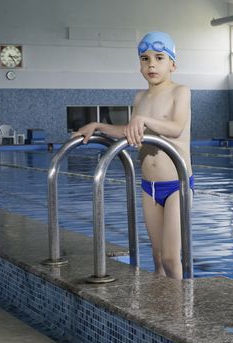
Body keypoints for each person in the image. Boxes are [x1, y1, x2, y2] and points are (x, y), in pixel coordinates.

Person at [72, 31, 193, 279]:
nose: (151, 64)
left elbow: (176, 127)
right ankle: (161, 311)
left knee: (172, 258)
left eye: (159, 58)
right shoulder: (140, 97)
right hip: (149, 186)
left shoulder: (180, 92)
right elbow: (130, 132)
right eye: (145, 59)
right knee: (158, 259)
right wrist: (98, 126)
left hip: (176, 185)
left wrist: (143, 119)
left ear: (172, 64)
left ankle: (182, 313)